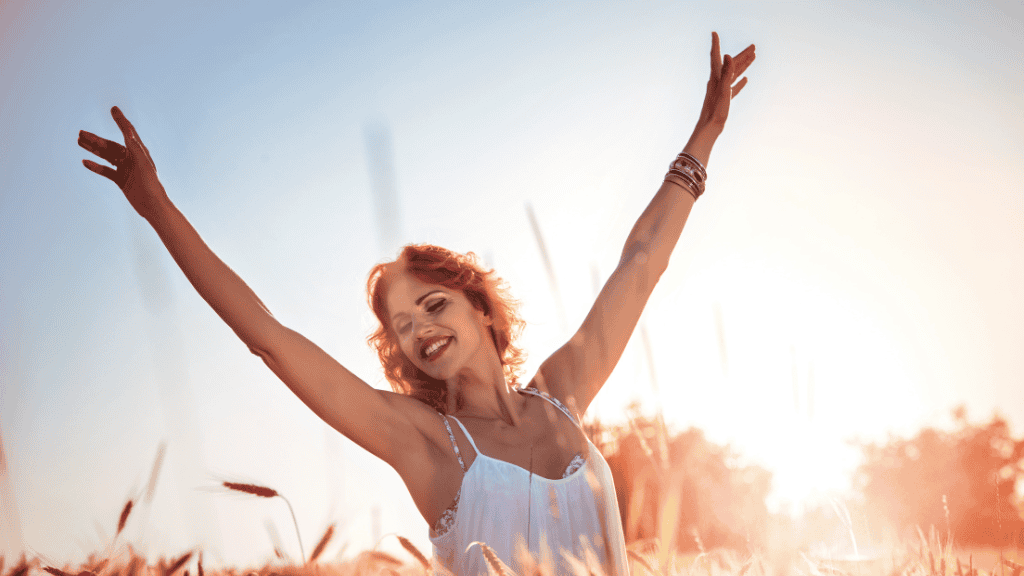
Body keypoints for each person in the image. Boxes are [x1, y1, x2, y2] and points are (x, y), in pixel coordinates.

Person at [78, 32, 754, 576]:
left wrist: (705, 138)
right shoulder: (426, 443)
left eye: (432, 305)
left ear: (481, 308)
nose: (418, 329)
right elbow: (271, 339)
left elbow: (641, 264)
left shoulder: (563, 394)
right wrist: (158, 210)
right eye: (401, 327)